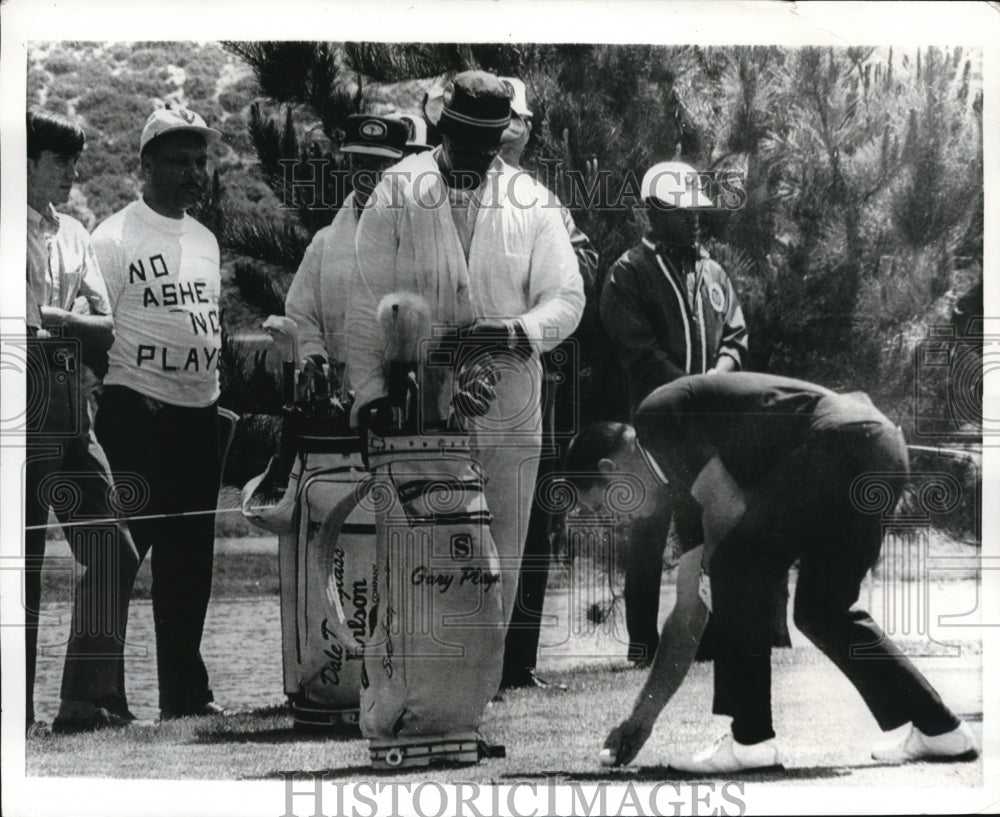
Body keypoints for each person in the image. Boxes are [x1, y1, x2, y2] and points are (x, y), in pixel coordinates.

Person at [562, 372, 978, 772]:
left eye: (601, 506)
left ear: (609, 472)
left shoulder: (655, 418)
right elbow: (687, 616)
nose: (613, 520)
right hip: (879, 448)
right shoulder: (684, 495)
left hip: (841, 444)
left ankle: (750, 741)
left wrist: (716, 574)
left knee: (732, 568)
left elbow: (727, 509)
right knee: (822, 611)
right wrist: (643, 717)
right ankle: (940, 728)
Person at [346, 70, 585, 635]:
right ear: (441, 128)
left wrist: (510, 333)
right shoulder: (399, 189)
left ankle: (477, 699)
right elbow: (364, 304)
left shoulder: (532, 200)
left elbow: (568, 298)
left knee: (496, 558)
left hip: (508, 400)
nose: (476, 157)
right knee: (419, 560)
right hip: (418, 402)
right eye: (464, 143)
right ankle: (413, 699)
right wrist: (372, 394)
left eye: (488, 146)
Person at [91, 107, 227, 720]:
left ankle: (184, 698)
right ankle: (99, 699)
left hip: (198, 417)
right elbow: (94, 331)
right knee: (118, 557)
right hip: (135, 414)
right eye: (179, 161)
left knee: (189, 567)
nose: (193, 172)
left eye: (200, 161)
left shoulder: (203, 238)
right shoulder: (114, 236)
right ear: (144, 165)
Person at [600, 161, 749, 666]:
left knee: (700, 532)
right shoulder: (629, 272)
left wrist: (717, 382)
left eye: (698, 210)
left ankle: (700, 636)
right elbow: (638, 351)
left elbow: (735, 334)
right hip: (654, 429)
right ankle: (642, 643)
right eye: (684, 211)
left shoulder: (712, 271)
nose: (696, 219)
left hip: (706, 429)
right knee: (647, 531)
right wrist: (693, 391)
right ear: (654, 212)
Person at [24, 109, 142, 735]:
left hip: (74, 398)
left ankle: (84, 702)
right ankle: (12, 715)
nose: (72, 173)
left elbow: (106, 329)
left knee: (112, 549)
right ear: (23, 160)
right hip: (17, 394)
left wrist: (56, 317)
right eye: (58, 161)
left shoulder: (74, 232)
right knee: (19, 564)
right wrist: (65, 320)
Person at [494, 77, 599, 690]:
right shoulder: (437, 191)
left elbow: (578, 274)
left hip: (536, 383)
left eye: (518, 122)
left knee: (534, 525)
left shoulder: (545, 202)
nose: (509, 133)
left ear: (529, 131)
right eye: (498, 121)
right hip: (465, 389)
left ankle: (519, 659)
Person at [285, 114, 408, 385]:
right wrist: (314, 356)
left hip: (402, 394)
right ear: (349, 167)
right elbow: (300, 313)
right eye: (359, 163)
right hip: (341, 393)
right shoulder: (324, 244)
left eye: (381, 165)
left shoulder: (416, 238)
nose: (367, 176)